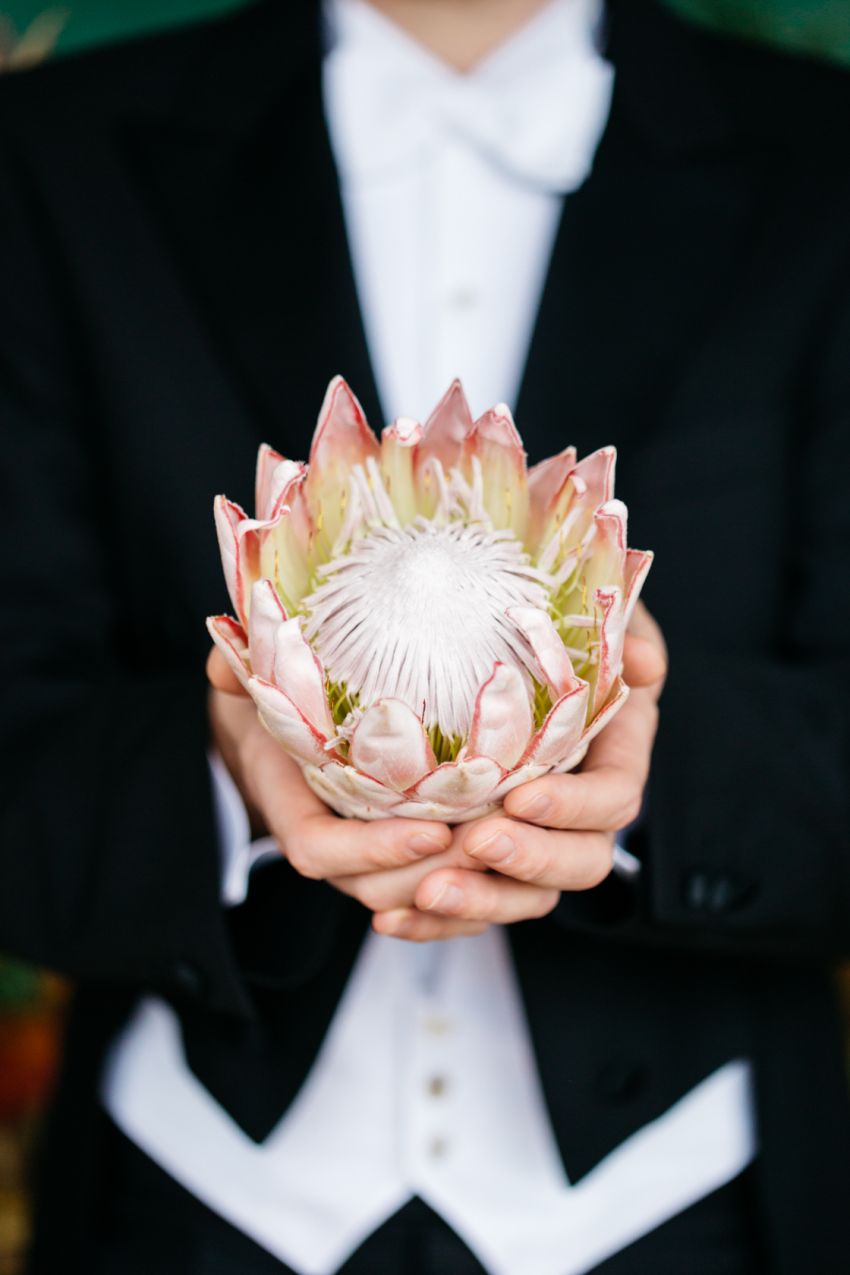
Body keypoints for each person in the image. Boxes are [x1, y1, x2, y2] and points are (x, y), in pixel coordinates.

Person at [0, 0, 848, 1272]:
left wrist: (631, 778)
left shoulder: (826, 161)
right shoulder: (47, 154)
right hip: (188, 1198)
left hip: (694, 1203)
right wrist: (236, 770)